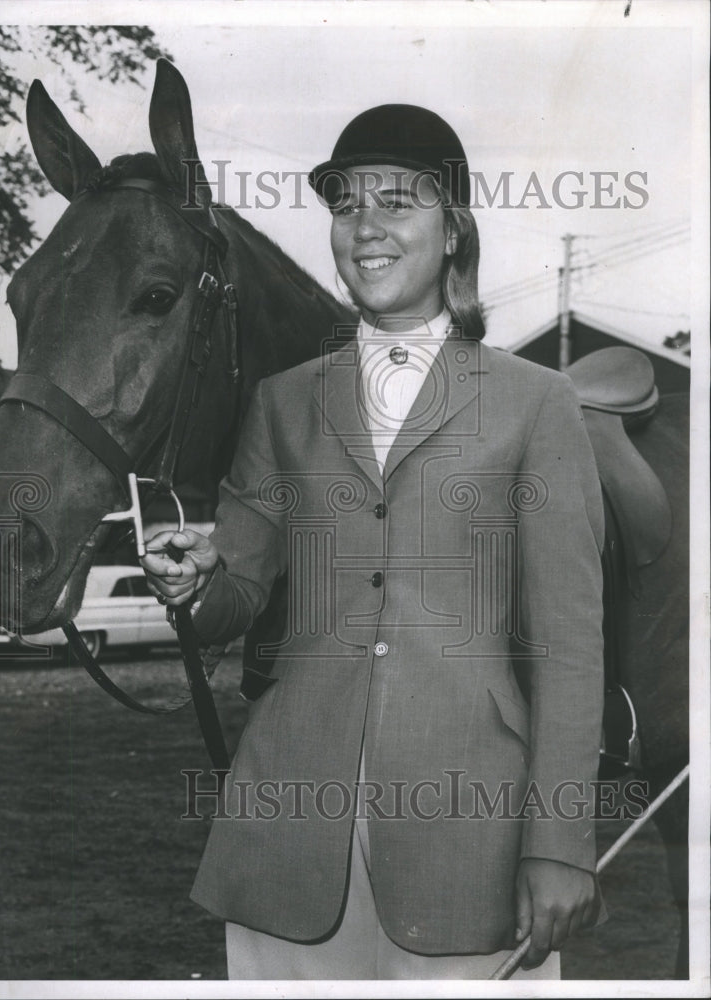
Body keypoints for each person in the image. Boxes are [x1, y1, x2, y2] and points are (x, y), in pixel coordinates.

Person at [141, 104, 605, 980]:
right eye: (346, 205)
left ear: (454, 231)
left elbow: (571, 647)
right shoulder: (282, 402)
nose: (366, 226)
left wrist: (561, 843)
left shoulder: (535, 403)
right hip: (285, 829)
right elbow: (232, 598)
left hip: (474, 835)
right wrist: (195, 581)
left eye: (398, 200)